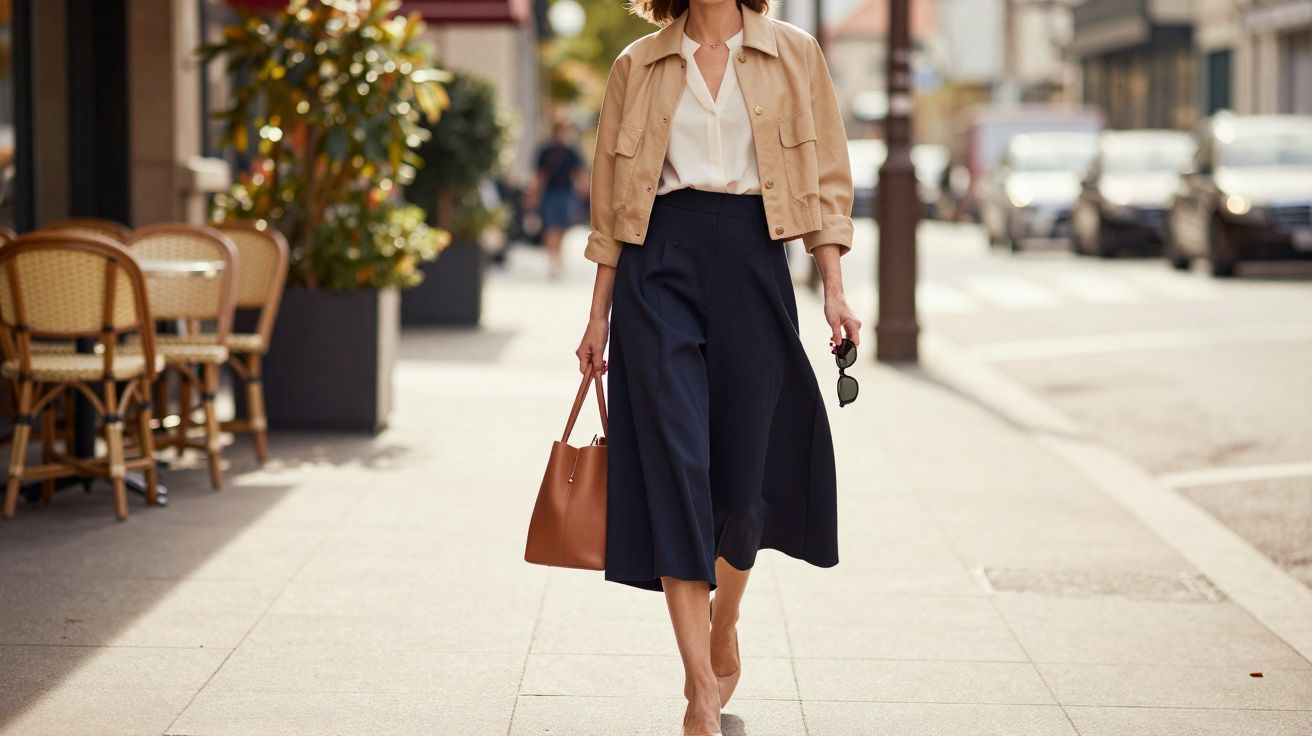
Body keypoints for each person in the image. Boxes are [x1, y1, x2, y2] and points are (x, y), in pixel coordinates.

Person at [573, 1, 858, 734]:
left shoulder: (795, 54)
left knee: (739, 477)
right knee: (675, 461)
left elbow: (826, 176)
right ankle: (700, 686)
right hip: (656, 264)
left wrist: (834, 289)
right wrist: (598, 315)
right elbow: (609, 208)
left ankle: (723, 620)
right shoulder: (636, 65)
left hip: (753, 257)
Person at [528, 122, 586, 279]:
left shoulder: (571, 152)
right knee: (550, 228)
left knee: (561, 229)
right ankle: (553, 261)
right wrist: (534, 194)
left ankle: (557, 258)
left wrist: (583, 190)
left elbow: (578, 174)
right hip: (550, 194)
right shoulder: (545, 151)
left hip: (566, 195)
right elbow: (540, 175)